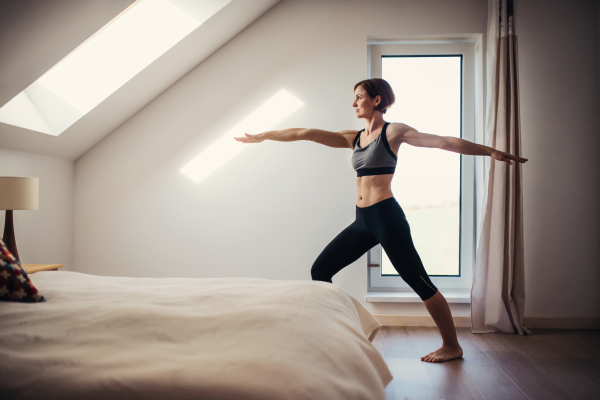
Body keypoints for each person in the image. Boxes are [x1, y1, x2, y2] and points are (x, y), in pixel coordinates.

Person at [233, 78, 528, 363]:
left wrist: (489, 151)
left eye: (359, 97)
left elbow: (442, 141)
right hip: (363, 220)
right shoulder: (354, 138)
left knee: (419, 281)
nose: (354, 103)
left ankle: (452, 345)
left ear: (377, 100)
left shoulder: (393, 132)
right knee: (320, 270)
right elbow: (305, 132)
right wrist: (263, 136)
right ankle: (339, 333)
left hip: (387, 217)